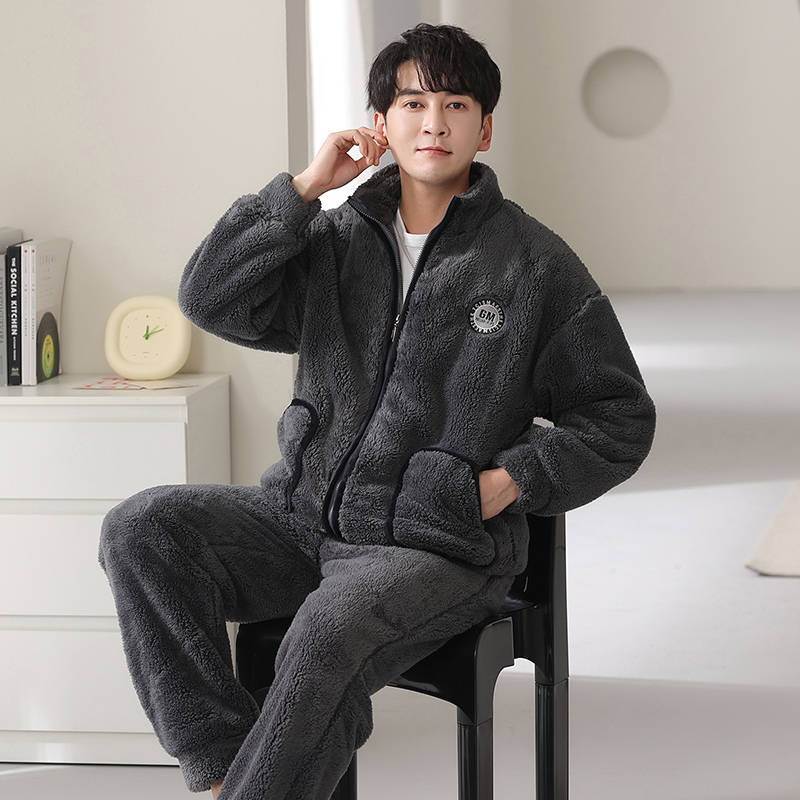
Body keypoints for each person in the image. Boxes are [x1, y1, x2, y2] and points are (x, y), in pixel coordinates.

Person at [99, 22, 655, 800]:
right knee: (142, 529)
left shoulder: (534, 266)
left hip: (434, 548)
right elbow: (209, 296)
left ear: (484, 129)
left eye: (456, 104)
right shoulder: (333, 241)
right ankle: (225, 772)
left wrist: (504, 483)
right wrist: (303, 189)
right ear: (381, 124)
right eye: (413, 103)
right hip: (301, 520)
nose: (434, 122)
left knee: (326, 634)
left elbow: (620, 416)